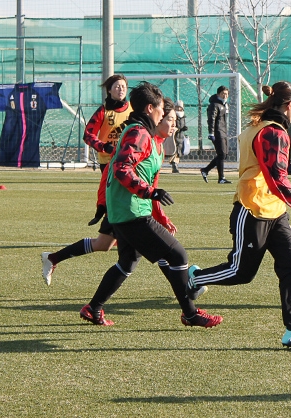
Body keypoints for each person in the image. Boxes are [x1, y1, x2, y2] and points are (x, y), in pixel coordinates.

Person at [186, 81, 291, 351]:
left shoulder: (261, 126)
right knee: (241, 272)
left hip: (275, 211)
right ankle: (194, 278)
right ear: (290, 105)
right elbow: (276, 177)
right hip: (252, 208)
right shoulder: (272, 132)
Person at [79, 82, 221, 328]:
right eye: (160, 109)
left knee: (127, 262)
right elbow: (121, 168)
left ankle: (93, 308)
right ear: (149, 109)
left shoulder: (140, 131)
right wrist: (150, 192)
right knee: (178, 255)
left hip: (126, 210)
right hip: (131, 212)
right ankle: (190, 314)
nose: (163, 113)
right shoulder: (139, 133)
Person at [41, 99, 181, 286]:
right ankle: (188, 288)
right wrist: (102, 203)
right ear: (157, 117)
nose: (174, 125)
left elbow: (151, 186)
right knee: (160, 249)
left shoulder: (157, 145)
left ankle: (53, 258)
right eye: (170, 119)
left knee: (104, 245)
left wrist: (161, 215)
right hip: (125, 206)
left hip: (134, 205)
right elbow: (112, 171)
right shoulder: (141, 138)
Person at [84, 74, 132, 173]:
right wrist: (104, 147)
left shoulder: (133, 109)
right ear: (109, 90)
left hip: (128, 159)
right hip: (108, 160)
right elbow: (88, 135)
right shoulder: (103, 111)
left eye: (123, 87)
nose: (121, 89)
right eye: (117, 87)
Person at [201, 86, 232, 184]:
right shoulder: (214, 105)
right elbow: (212, 119)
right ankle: (221, 178)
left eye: (226, 94)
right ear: (218, 94)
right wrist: (211, 133)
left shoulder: (224, 105)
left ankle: (206, 170)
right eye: (223, 93)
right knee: (222, 154)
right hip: (218, 132)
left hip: (223, 132)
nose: (225, 96)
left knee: (224, 154)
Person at [168, 101, 188, 173]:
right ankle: (174, 163)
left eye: (180, 107)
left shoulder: (183, 117)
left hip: (181, 136)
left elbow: (183, 125)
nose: (179, 108)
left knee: (179, 150)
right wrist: (176, 129)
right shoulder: (173, 115)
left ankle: (175, 164)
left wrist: (184, 128)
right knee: (174, 150)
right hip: (173, 136)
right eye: (177, 107)